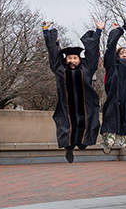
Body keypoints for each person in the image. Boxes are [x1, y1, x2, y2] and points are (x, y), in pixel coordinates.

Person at [42, 20, 103, 163]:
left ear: (79, 59)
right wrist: (46, 31)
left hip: (86, 104)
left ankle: (82, 142)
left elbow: (93, 52)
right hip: (66, 106)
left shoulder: (87, 67)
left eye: (75, 58)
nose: (72, 61)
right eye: (69, 58)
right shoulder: (59, 68)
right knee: (66, 125)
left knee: (88, 124)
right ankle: (68, 148)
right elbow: (52, 51)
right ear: (66, 59)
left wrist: (98, 31)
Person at [100, 22, 126, 153]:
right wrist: (116, 32)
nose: (125, 54)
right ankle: (107, 140)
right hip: (113, 100)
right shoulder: (112, 66)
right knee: (110, 135)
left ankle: (124, 139)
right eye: (122, 53)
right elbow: (110, 50)